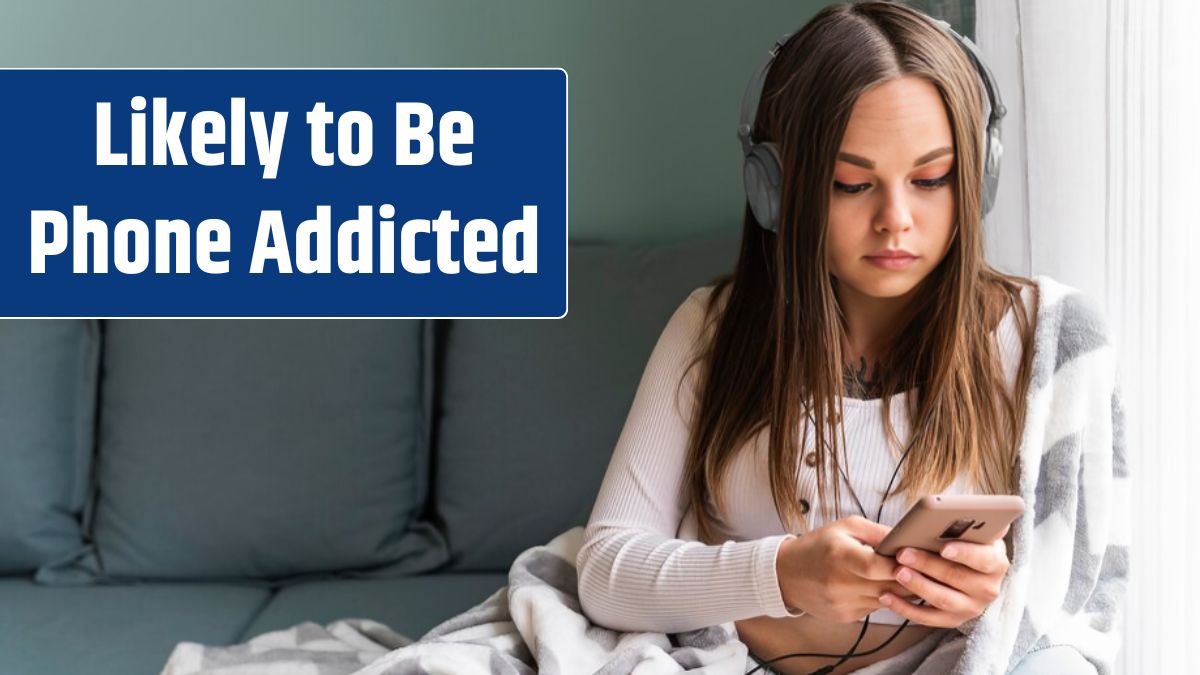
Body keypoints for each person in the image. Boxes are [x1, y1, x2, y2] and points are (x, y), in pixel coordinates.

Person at [576, 2, 1121, 674]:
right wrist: (780, 573)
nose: (896, 220)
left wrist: (997, 592)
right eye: (851, 183)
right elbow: (605, 570)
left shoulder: (1049, 340)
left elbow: (1078, 606)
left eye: (931, 179)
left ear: (979, 179)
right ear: (775, 189)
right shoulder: (711, 328)